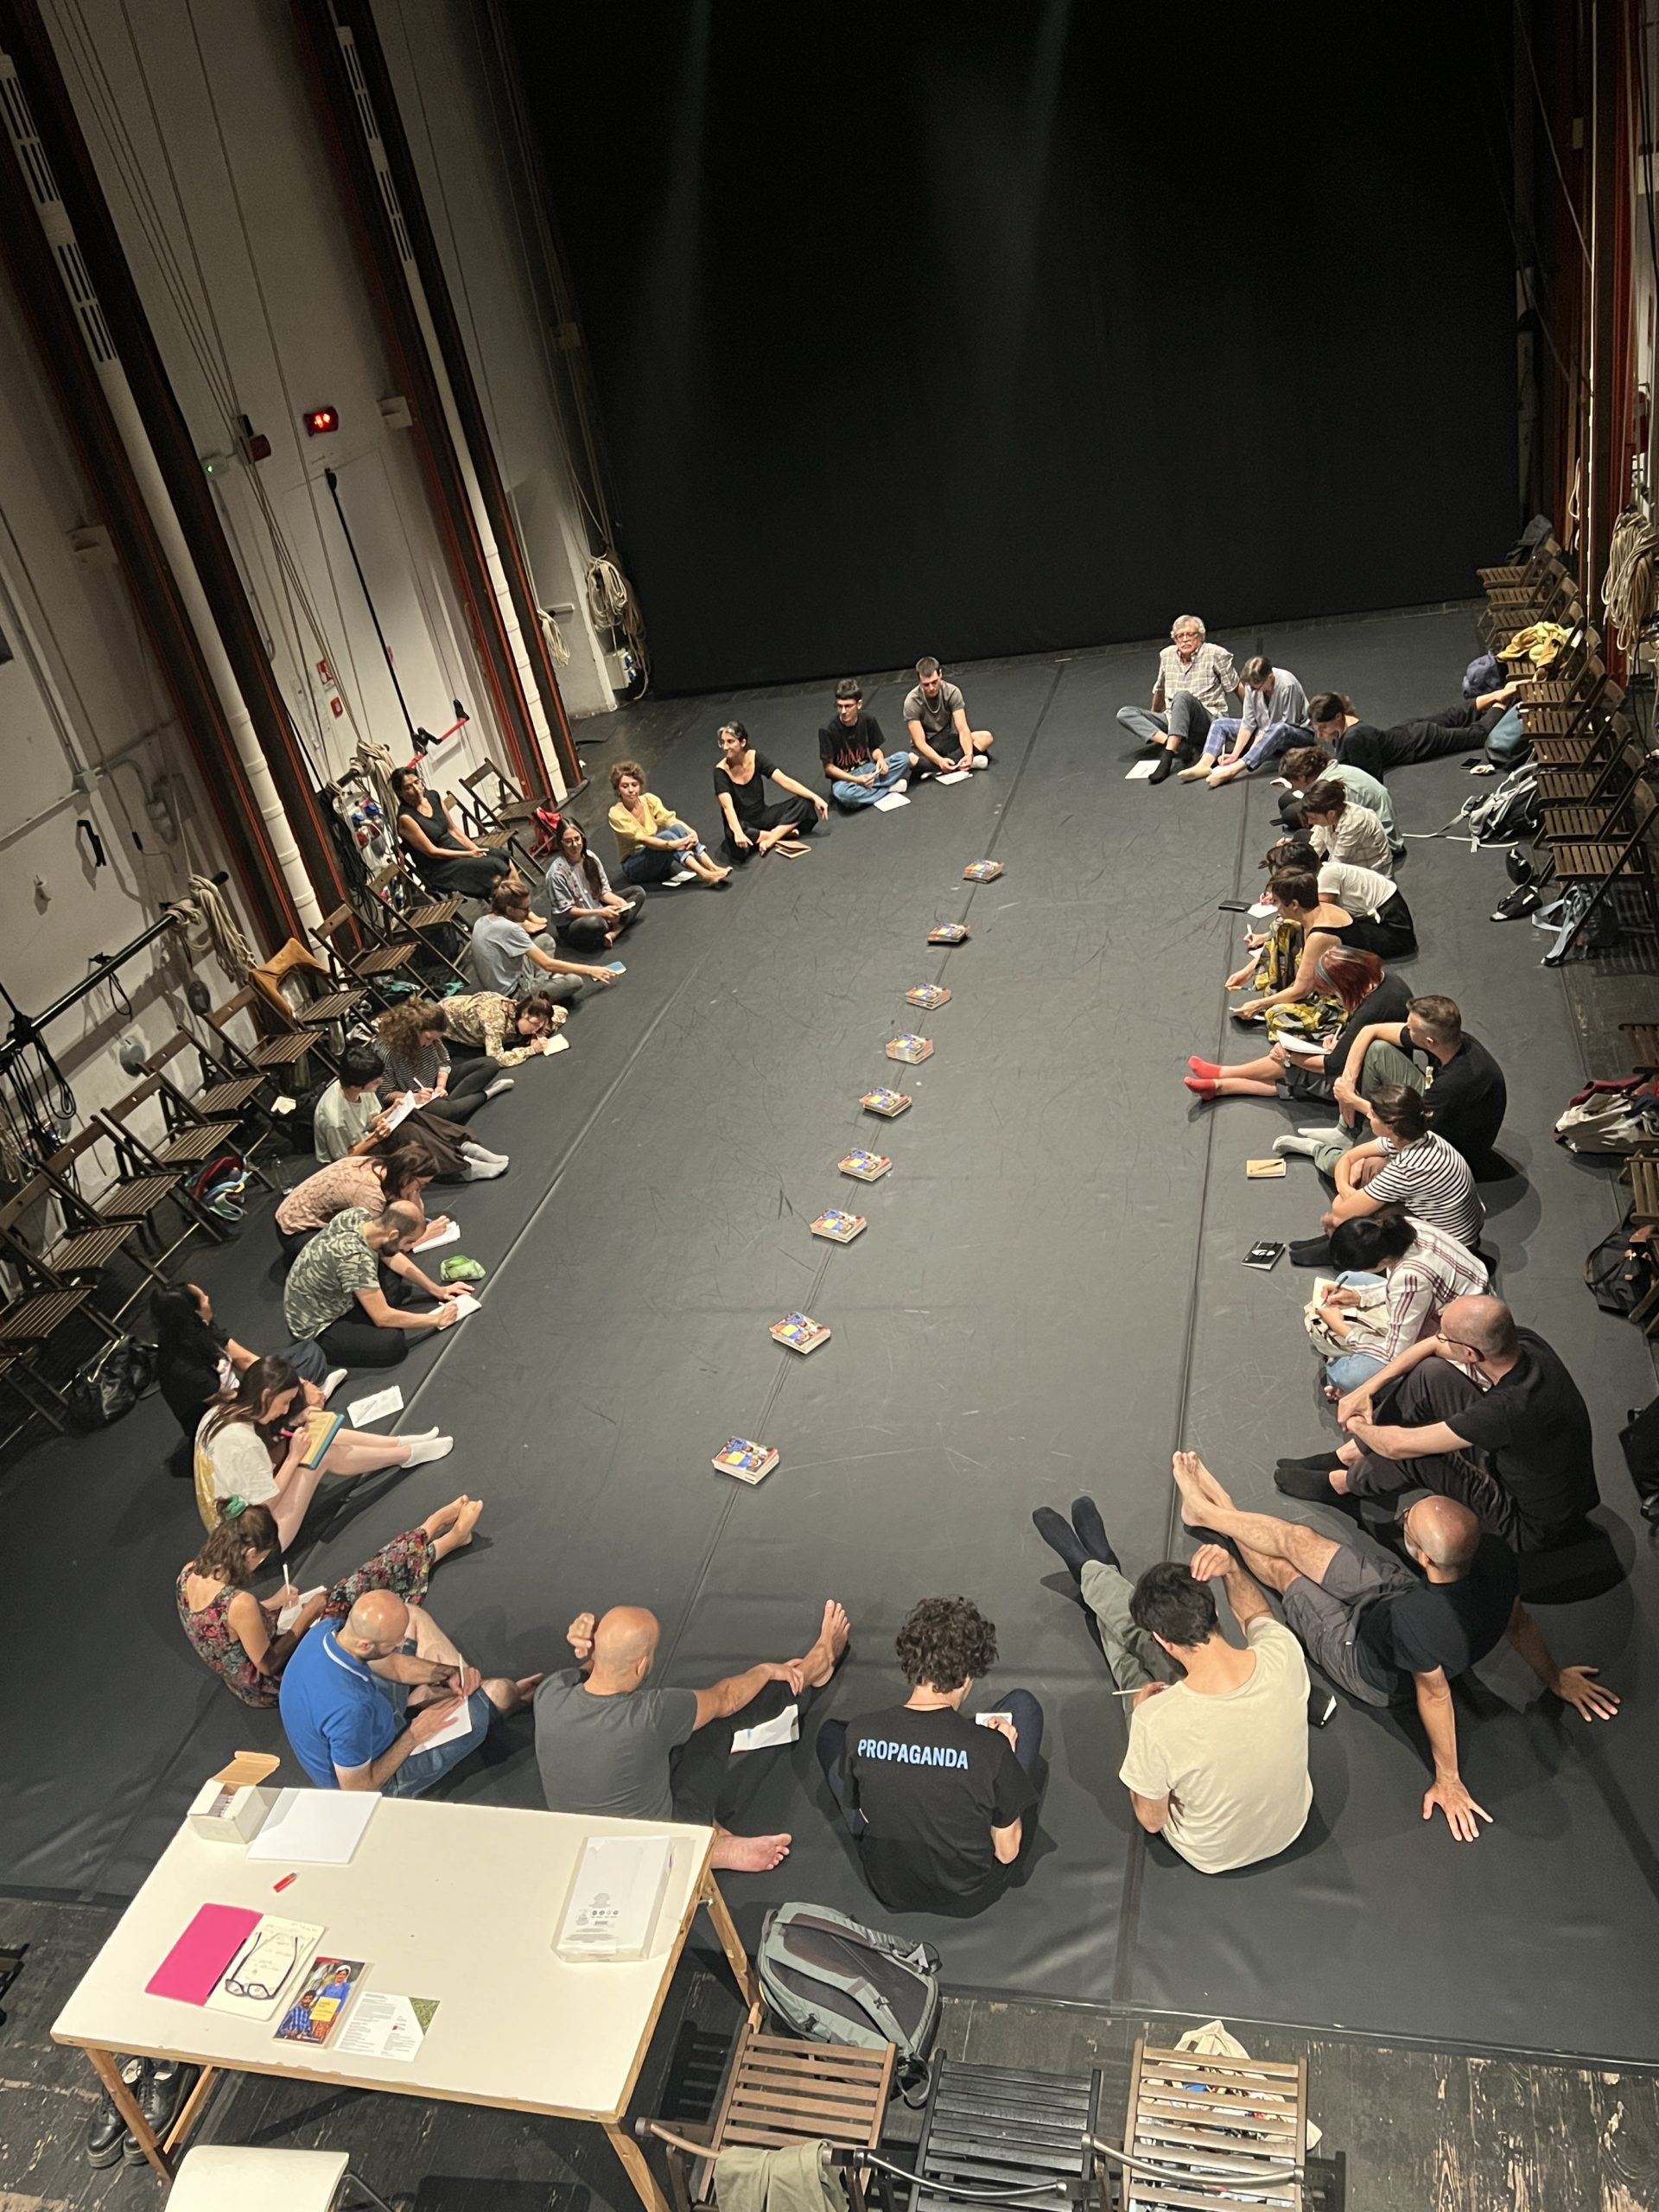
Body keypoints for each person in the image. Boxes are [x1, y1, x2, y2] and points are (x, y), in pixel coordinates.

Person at [1169, 1451, 1618, 1841]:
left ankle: (1216, 1513)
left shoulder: (1419, 1622)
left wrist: (1449, 1778)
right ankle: (1210, 1512)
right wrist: (1554, 1678)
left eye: (1409, 1525)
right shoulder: (1494, 1557)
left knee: (1289, 1575)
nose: (1402, 1518)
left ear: (1424, 1557)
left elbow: (1436, 1695)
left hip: (1361, 1655)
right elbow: (1519, 1623)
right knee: (1298, 1540)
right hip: (1394, 1594)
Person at [1031, 1497, 1311, 1874]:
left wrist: (1140, 1717)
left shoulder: (1158, 1722)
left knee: (1131, 1671)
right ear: (1213, 1610)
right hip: (1290, 1827)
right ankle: (1097, 1569)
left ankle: (1092, 1570)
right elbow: (1256, 1612)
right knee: (1139, 1646)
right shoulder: (1283, 1652)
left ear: (1165, 1640)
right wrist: (1232, 1569)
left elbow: (1151, 1820)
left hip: (1213, 1854)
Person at [537, 1599, 850, 1872]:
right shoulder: (651, 1715)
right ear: (642, 1665)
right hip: (666, 1845)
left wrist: (594, 1648)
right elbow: (727, 1699)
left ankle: (711, 1845)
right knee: (712, 1721)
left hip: (586, 1850)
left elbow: (593, 1672)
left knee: (657, 1744)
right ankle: (816, 1666)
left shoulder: (550, 1694)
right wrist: (766, 1671)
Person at [1278, 1297, 1602, 1553]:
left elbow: (1397, 1446)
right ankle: (1352, 1455)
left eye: (1448, 1336)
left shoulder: (1506, 1410)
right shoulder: (1525, 1342)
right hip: (1539, 1471)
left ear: (1471, 1353)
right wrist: (1366, 1391)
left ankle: (1343, 1485)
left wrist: (1358, 1423)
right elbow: (1431, 1347)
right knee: (1430, 1374)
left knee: (1415, 1454)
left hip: (1526, 1525)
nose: (1440, 1337)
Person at [817, 1597, 1042, 1916]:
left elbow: (860, 1809)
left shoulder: (862, 1731)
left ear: (912, 1664)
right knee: (1024, 1706)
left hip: (890, 1887)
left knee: (830, 1734)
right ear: (967, 1677)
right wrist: (1004, 1754)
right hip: (970, 1894)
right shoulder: (992, 1751)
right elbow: (1007, 1853)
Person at [177, 1493, 483, 1707]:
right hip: (275, 1683)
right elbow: (268, 1665)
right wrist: (307, 1615)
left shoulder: (188, 1573)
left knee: (351, 1590)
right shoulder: (239, 1604)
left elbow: (226, 1631)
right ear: (250, 1554)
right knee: (350, 1597)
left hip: (246, 1671)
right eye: (261, 1558)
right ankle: (434, 1536)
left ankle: (432, 1536)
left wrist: (270, 1603)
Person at [280, 1586, 540, 1795]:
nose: (400, 1645)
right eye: (394, 1644)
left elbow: (392, 1664)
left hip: (370, 1719)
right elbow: (358, 1790)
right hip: (380, 1775)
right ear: (365, 1645)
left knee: (411, 1615)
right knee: (501, 1692)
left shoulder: (326, 1631)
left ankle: (453, 1695)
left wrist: (449, 1672)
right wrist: (413, 1735)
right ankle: (485, 1702)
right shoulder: (351, 1709)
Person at [193, 1352, 454, 1543]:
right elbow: (266, 1503)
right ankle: (405, 1454)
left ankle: (399, 1443)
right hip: (255, 1541)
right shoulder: (243, 1442)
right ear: (266, 1396)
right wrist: (294, 1457)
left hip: (233, 1521)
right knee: (322, 1454)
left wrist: (293, 1423)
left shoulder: (220, 1411)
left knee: (317, 1430)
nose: (284, 1410)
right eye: (284, 1403)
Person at [1186, 946, 1410, 1106]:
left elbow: (1333, 1065)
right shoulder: (1386, 981)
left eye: (1335, 993)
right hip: (1376, 1060)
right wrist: (1340, 1040)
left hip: (1374, 1079)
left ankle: (1223, 1079)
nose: (1335, 997)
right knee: (1297, 1061)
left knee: (1295, 1069)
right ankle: (1219, 1084)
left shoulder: (1371, 1009)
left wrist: (1289, 1057)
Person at [1292, 1083, 1485, 1265]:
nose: (1368, 1116)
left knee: (1368, 1216)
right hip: (1455, 1228)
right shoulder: (1415, 1137)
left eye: (1374, 1115)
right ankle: (1336, 1238)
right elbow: (1349, 1157)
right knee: (1373, 1165)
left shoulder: (1408, 1168)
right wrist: (1346, 1190)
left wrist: (1343, 1207)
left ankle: (1341, 1249)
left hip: (1454, 1248)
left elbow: (1340, 1214)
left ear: (1390, 1125)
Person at [1310, 1213, 1489, 1396]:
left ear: (1383, 1261)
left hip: (1459, 1344)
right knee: (1348, 1279)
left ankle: (1346, 1377)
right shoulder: (1405, 1227)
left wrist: (1342, 1329)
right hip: (1452, 1306)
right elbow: (1406, 1288)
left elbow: (1395, 1352)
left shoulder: (1409, 1278)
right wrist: (1360, 1296)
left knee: (1346, 1377)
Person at [1331, 994, 1508, 1179]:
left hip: (1447, 1151)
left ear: (1429, 1042)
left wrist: (1352, 1100)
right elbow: (1371, 1030)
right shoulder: (1451, 1041)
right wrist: (1348, 1081)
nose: (1406, 1028)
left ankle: (1321, 1151)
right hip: (1436, 1111)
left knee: (1361, 1169)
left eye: (1410, 1028)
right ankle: (1360, 1133)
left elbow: (1411, 1125)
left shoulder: (1453, 1084)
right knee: (1378, 1050)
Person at [151, 1281, 336, 1445]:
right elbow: (233, 1402)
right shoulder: (181, 1368)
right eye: (203, 1298)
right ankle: (292, 1417)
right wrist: (292, 1391)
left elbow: (248, 1361)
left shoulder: (201, 1329)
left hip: (243, 1392)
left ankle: (296, 1404)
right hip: (229, 1415)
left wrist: (297, 1382)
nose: (208, 1298)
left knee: (308, 1352)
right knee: (278, 1398)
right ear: (194, 1313)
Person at [283, 1199, 461, 1370]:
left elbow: (391, 1255)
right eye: (409, 1242)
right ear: (393, 1234)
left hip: (328, 1290)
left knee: (393, 1282)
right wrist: (436, 1320)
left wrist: (437, 1290)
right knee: (391, 1343)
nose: (408, 1248)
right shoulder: (355, 1259)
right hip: (316, 1323)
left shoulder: (359, 1216)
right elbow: (382, 1318)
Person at [309, 1040, 506, 1185]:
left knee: (410, 1114)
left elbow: (369, 1121)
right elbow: (343, 1159)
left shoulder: (360, 1089)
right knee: (407, 1132)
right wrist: (376, 1137)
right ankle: (463, 1167)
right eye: (376, 1082)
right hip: (356, 1157)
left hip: (369, 1135)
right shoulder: (334, 1118)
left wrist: (393, 1110)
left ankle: (466, 1145)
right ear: (358, 1084)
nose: (380, 1084)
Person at [1217, 871, 1356, 1052]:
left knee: (1275, 1016)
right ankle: (1280, 993)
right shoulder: (1316, 909)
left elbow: (1302, 990)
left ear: (1294, 904)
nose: (1276, 908)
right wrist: (1248, 971)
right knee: (1281, 926)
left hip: (1343, 997)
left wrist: (1258, 1005)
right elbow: (1275, 937)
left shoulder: (1320, 936)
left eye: (1277, 902)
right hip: (1324, 975)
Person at [275, 1136, 442, 1265]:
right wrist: (420, 1239)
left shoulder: (381, 1168)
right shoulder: (369, 1194)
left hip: (308, 1214)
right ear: (405, 1177)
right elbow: (380, 1248)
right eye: (421, 1185)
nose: (420, 1190)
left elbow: (412, 1215)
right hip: (297, 1232)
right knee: (363, 1258)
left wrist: (413, 1193)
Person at [1118, 615, 1242, 784]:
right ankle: (1175, 744)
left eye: (1190, 634)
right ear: (1175, 639)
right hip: (1173, 719)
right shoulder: (1167, 655)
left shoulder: (1215, 653)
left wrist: (1251, 719)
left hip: (1205, 719)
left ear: (1200, 636)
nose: (1185, 639)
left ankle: (1168, 755)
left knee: (1182, 696)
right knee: (1125, 713)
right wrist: (1153, 717)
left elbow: (1236, 687)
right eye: (1180, 636)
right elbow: (1160, 689)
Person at [1310, 685, 1522, 779]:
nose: (1320, 735)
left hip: (1420, 742)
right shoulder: (1346, 727)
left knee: (1478, 735)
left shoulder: (1354, 737)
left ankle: (1503, 701)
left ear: (1338, 716)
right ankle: (1499, 694)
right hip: (1410, 730)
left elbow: (1368, 778)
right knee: (1455, 715)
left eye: (1323, 728)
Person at [1258, 836, 1417, 960]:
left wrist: (1269, 937)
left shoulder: (1326, 877)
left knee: (1323, 936)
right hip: (1380, 916)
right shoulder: (1320, 872)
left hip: (1394, 930)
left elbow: (1313, 919)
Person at [389, 766, 520, 903]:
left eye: (417, 782)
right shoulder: (406, 818)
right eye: (408, 787)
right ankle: (514, 909)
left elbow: (453, 830)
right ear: (400, 793)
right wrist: (469, 854)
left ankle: (521, 907)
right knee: (494, 866)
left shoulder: (433, 796)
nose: (416, 789)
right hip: (438, 866)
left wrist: (475, 849)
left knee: (502, 856)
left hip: (455, 848)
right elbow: (432, 852)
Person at [469, 881, 620, 1001]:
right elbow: (548, 964)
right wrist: (591, 970)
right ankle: (541, 988)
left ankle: (543, 982)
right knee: (574, 981)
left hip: (507, 980)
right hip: (513, 996)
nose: (529, 913)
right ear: (509, 910)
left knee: (545, 941)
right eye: (525, 909)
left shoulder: (483, 921)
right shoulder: (510, 929)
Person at [377, 1001, 513, 1124]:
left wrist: (440, 1086)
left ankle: (453, 1106)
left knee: (490, 1064)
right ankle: (487, 1093)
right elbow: (386, 1094)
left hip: (437, 1085)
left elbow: (444, 1062)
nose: (430, 1043)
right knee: (443, 1111)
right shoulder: (387, 1053)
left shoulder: (432, 1039)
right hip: (418, 1098)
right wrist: (415, 1097)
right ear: (413, 1031)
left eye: (434, 1039)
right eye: (428, 1038)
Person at [1182, 658, 1310, 786]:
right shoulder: (1251, 686)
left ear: (1270, 678)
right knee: (1220, 724)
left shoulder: (1287, 685)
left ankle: (1233, 770)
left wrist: (1247, 755)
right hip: (1264, 730)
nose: (1252, 691)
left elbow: (1288, 724)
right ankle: (1204, 764)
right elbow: (1248, 723)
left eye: (1256, 688)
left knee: (1279, 729)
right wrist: (1234, 754)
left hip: (1295, 734)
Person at [607, 760, 731, 888]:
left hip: (655, 858)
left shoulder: (649, 800)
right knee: (667, 836)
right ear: (617, 789)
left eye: (634, 785)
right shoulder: (616, 813)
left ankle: (712, 867)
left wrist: (691, 833)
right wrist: (672, 844)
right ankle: (705, 875)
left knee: (678, 829)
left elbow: (670, 820)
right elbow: (642, 839)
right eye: (625, 786)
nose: (631, 790)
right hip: (634, 866)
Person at [713, 721, 828, 860]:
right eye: (722, 743)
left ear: (742, 742)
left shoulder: (755, 758)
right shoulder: (720, 771)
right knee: (734, 835)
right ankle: (782, 833)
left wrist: (815, 798)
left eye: (730, 742)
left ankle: (770, 838)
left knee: (805, 803)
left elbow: (784, 780)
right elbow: (728, 807)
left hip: (762, 815)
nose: (725, 747)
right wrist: (738, 832)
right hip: (742, 822)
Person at [545, 818, 648, 950]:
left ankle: (614, 932)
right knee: (597, 923)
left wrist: (619, 903)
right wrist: (601, 913)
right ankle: (613, 925)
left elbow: (602, 891)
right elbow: (568, 911)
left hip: (596, 906)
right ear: (561, 844)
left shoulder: (590, 857)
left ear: (583, 838)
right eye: (568, 841)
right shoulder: (556, 874)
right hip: (575, 922)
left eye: (577, 839)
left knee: (638, 893)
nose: (574, 845)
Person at [1275, 745, 1400, 852]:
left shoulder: (1332, 788)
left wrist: (1300, 846)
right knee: (1289, 806)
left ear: (1302, 777)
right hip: (1369, 827)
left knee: (1301, 836)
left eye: (1291, 782)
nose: (1291, 787)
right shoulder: (1330, 771)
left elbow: (1342, 830)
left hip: (1382, 844)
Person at [818, 679, 915, 808]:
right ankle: (888, 788)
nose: (843, 711)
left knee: (904, 758)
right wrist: (857, 780)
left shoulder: (868, 720)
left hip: (868, 770)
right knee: (843, 795)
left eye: (848, 706)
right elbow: (829, 768)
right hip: (845, 779)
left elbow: (874, 749)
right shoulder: (827, 729)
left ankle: (869, 792)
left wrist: (880, 760)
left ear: (859, 704)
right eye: (840, 706)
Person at [903, 658, 994, 774]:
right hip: (928, 745)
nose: (931, 688)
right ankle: (956, 764)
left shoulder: (952, 692)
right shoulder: (912, 701)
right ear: (919, 681)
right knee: (911, 759)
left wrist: (968, 754)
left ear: (940, 674)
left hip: (947, 740)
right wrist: (939, 760)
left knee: (986, 737)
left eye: (934, 682)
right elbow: (920, 742)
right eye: (926, 685)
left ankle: (935, 768)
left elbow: (963, 729)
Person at [436, 988, 568, 1069]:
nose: (535, 1029)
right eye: (534, 1024)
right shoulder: (495, 1021)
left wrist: (537, 1035)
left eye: (539, 1026)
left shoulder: (525, 1011)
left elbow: (561, 1012)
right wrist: (532, 1050)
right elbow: (496, 1059)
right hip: (443, 1022)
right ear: (524, 1015)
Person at [1300, 780, 1392, 872]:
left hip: (1370, 875)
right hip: (1349, 867)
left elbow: (1336, 865)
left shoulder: (1354, 823)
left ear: (1331, 813)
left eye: (1314, 818)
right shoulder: (1330, 813)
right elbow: (1315, 846)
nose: (1310, 821)